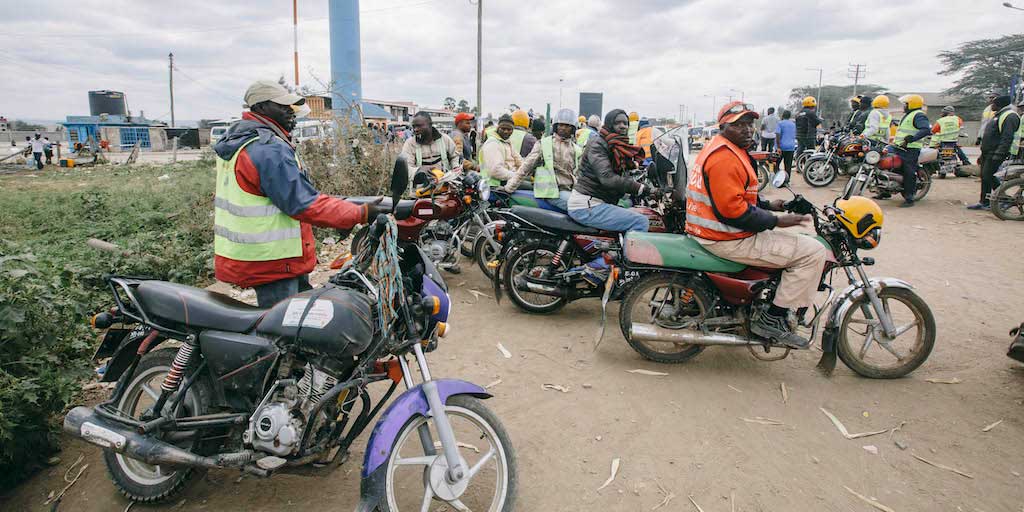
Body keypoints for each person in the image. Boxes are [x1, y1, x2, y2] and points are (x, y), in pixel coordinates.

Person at [212, 80, 376, 307]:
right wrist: (361, 213)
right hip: (273, 261)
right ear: (261, 108)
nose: (291, 112)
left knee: (299, 319)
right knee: (283, 332)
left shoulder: (240, 142)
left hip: (252, 255)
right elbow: (303, 203)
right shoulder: (268, 149)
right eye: (283, 106)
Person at [685, 101, 826, 348]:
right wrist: (777, 222)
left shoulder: (725, 148)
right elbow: (734, 212)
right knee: (812, 251)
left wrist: (776, 205)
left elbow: (739, 197)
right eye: (738, 124)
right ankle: (773, 318)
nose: (747, 129)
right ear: (723, 126)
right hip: (727, 237)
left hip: (716, 231)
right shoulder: (724, 158)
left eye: (750, 123)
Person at [568, 109, 650, 232]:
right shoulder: (598, 144)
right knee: (640, 221)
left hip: (596, 200)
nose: (622, 126)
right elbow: (607, 178)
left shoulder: (615, 144)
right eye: (618, 123)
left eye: (625, 123)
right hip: (588, 204)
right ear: (609, 124)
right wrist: (640, 188)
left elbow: (621, 167)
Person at [504, 108, 580, 211]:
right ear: (555, 126)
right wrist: (509, 188)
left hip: (569, 191)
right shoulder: (544, 144)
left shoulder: (576, 149)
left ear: (573, 128)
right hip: (550, 192)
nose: (563, 128)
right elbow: (526, 167)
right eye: (560, 125)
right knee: (580, 208)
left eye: (567, 126)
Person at [969, 95, 1019, 210]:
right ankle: (984, 202)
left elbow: (1007, 137)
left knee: (988, 175)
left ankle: (1005, 199)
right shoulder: (998, 115)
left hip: (996, 152)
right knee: (984, 176)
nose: (991, 105)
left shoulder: (1010, 116)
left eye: (994, 103)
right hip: (988, 151)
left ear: (999, 104)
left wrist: (999, 153)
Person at [889, 94, 932, 208]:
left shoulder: (919, 115)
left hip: (910, 149)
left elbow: (925, 129)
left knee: (909, 171)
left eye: (905, 104)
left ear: (912, 104)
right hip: (898, 147)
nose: (904, 106)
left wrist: (912, 138)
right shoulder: (908, 115)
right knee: (885, 162)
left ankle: (909, 198)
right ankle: (884, 191)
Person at [400, 111, 460, 180]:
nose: (415, 129)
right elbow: (406, 167)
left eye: (419, 126)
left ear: (430, 124)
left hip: (445, 185)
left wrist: (455, 168)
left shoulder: (445, 139)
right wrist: (419, 170)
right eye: (414, 126)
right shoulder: (410, 144)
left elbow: (454, 156)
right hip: (421, 188)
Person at [479, 114, 523, 186]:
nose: (506, 132)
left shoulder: (507, 142)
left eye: (509, 129)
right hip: (496, 184)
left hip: (509, 178)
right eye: (503, 129)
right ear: (498, 128)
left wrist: (526, 171)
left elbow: (519, 160)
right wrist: (517, 176)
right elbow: (496, 171)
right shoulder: (493, 143)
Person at [777, 110, 797, 179]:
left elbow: (778, 135)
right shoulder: (793, 124)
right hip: (791, 147)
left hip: (782, 147)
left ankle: (778, 179)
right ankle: (786, 180)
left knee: (776, 164)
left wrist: (778, 147)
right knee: (788, 166)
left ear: (782, 115)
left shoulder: (780, 123)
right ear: (789, 116)